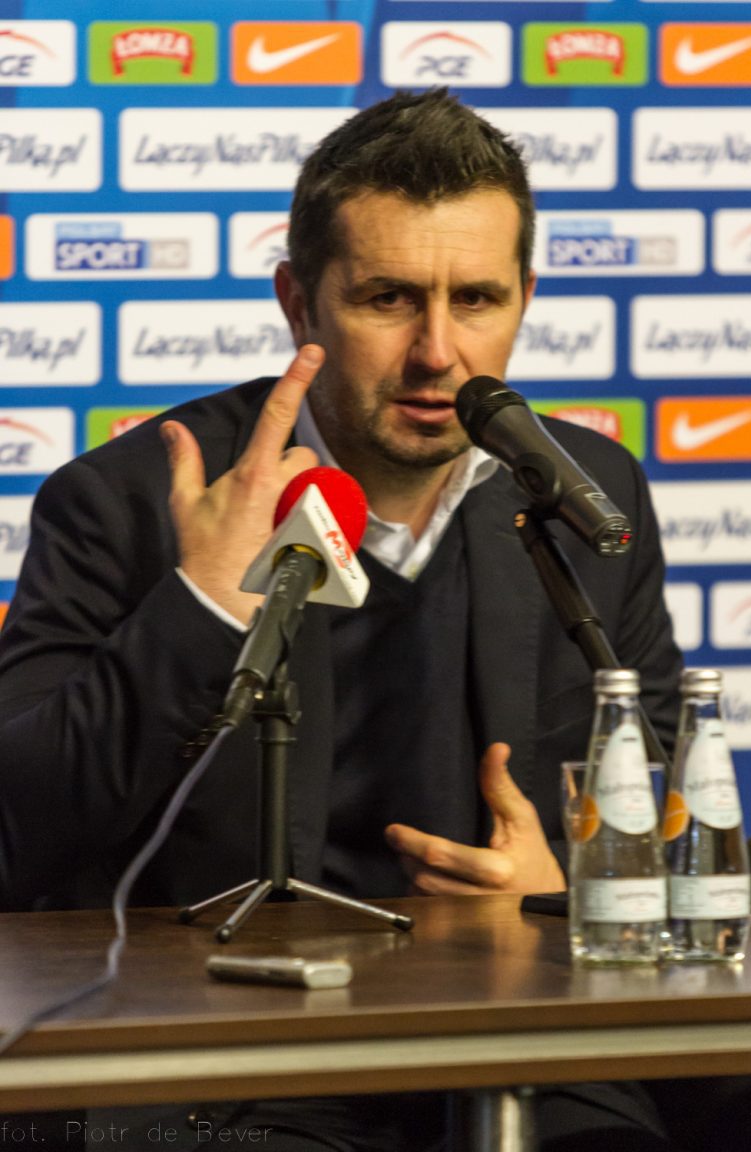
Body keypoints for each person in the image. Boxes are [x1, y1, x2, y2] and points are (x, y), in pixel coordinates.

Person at [0, 89, 702, 1150]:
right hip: (233, 1058)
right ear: (300, 302)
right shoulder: (128, 500)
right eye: (387, 299)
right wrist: (200, 605)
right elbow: (16, 835)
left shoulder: (585, 492)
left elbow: (663, 783)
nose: (438, 352)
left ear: (525, 297)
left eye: (477, 299)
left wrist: (573, 883)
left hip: (521, 1030)